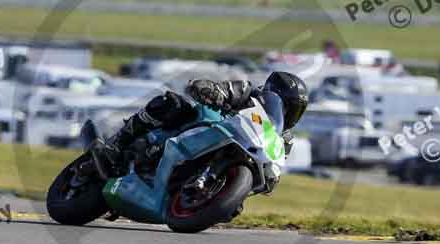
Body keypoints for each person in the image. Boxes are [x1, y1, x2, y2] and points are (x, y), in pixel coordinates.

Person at [96, 71, 309, 176]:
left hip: (230, 162)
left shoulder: (283, 141)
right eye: (287, 106)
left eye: (296, 109)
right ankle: (117, 144)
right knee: (172, 103)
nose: (289, 113)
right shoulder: (248, 93)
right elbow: (219, 89)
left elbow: (272, 175)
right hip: (208, 128)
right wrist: (211, 90)